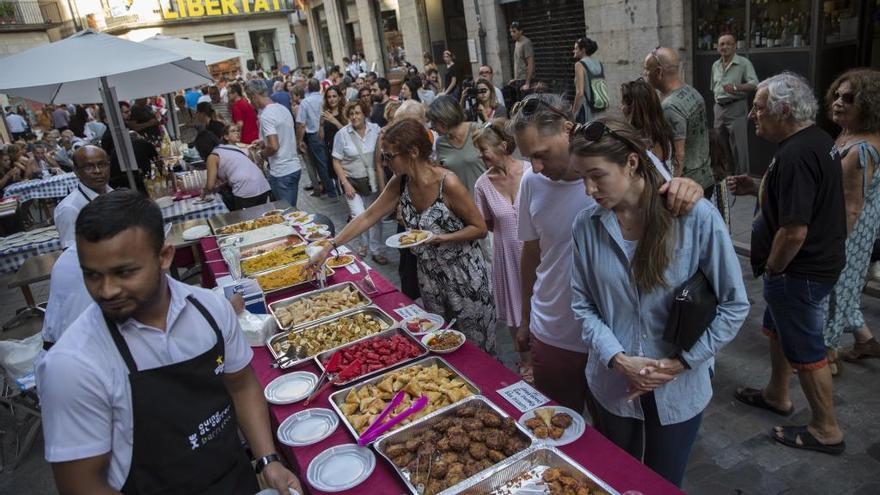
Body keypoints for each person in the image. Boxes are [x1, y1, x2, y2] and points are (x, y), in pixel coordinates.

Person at [36, 190, 303, 494]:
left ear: (164, 257)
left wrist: (268, 460)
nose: (107, 291)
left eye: (124, 272)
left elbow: (240, 384)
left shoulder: (211, 310)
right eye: (93, 275)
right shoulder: (70, 366)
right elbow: (81, 485)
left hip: (234, 479)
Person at [569, 118, 748, 486]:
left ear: (631, 163)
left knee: (662, 483)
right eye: (581, 177)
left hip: (679, 384)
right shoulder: (586, 226)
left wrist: (680, 364)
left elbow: (734, 304)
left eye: (597, 176)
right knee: (616, 478)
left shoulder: (695, 218)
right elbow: (582, 304)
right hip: (612, 382)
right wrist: (618, 359)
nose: (588, 189)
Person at [509, 93, 703, 417]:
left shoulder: (622, 165)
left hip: (619, 340)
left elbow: (675, 205)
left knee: (615, 444)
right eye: (530, 159)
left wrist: (688, 189)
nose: (537, 167)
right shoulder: (531, 181)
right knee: (556, 430)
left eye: (542, 154)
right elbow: (531, 252)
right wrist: (525, 317)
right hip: (554, 334)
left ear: (567, 129)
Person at [730, 72, 847, 455]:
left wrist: (776, 269)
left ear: (783, 110)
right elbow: (798, 194)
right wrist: (758, 185)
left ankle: (826, 429)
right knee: (779, 329)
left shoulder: (796, 153)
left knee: (807, 349)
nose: (752, 115)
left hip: (800, 271)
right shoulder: (813, 140)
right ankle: (777, 394)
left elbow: (794, 230)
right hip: (810, 267)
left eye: (759, 108)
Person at [312, 119, 496, 351]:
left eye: (390, 156)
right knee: (438, 344)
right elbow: (368, 216)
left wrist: (440, 238)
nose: (385, 162)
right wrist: (330, 246)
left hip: (464, 277)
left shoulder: (447, 182)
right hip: (429, 278)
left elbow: (479, 228)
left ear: (413, 152)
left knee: (476, 351)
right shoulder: (400, 182)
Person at [820, 69, 880, 370]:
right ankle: (865, 341)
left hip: (848, 234)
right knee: (845, 289)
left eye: (849, 98)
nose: (838, 102)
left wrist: (832, 249)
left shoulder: (860, 149)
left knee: (834, 292)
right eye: (837, 95)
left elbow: (851, 207)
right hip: (852, 230)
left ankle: (827, 360)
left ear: (867, 105)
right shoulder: (848, 134)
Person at [473, 119, 531, 377]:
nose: (480, 155)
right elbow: (485, 224)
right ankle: (526, 363)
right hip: (506, 256)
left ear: (503, 146)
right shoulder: (482, 185)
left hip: (536, 253)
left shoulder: (530, 172)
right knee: (515, 313)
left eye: (483, 149)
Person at [644, 47, 715, 197]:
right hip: (705, 176)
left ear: (659, 72)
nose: (645, 74)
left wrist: (672, 188)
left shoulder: (670, 106)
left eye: (646, 70)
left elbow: (679, 155)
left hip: (687, 186)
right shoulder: (692, 91)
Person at [331, 101, 388, 264]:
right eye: (351, 114)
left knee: (375, 217)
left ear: (364, 114)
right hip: (352, 182)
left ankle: (376, 250)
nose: (354, 117)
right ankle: (364, 243)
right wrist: (345, 183)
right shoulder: (342, 134)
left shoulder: (375, 130)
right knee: (359, 216)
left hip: (372, 182)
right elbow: (336, 161)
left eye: (357, 113)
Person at [246, 79, 304, 208]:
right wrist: (262, 142)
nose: (250, 102)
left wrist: (261, 154)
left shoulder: (266, 115)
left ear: (254, 96)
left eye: (250, 98)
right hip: (294, 167)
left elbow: (274, 146)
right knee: (288, 210)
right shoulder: (282, 109)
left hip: (281, 171)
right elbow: (283, 135)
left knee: (287, 214)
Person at [712, 34, 758, 175]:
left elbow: (755, 84)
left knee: (739, 148)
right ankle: (726, 177)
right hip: (719, 108)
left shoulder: (743, 63)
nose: (724, 47)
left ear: (734, 46)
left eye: (728, 44)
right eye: (721, 44)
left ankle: (743, 179)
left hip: (736, 107)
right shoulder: (715, 65)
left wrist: (736, 87)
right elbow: (714, 87)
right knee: (719, 146)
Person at [195, 128, 272, 210]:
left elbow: (210, 186)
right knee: (262, 217)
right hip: (262, 184)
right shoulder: (229, 148)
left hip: (245, 190)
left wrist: (203, 194)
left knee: (247, 220)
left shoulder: (212, 156)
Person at [53, 145, 112, 249]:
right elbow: (72, 253)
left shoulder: (116, 194)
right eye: (89, 167)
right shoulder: (69, 209)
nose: (97, 171)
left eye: (102, 165)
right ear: (76, 171)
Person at [428, 96, 486, 194]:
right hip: (459, 206)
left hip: (486, 202)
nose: (432, 127)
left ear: (444, 118)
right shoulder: (440, 143)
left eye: (434, 121)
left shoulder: (478, 131)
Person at [620, 78, 676, 171]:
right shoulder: (664, 132)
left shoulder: (635, 141)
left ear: (633, 109)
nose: (620, 107)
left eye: (623, 103)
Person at [296, 78, 339, 198]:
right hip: (328, 132)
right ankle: (336, 188)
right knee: (331, 161)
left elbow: (301, 124)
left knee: (321, 164)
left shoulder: (305, 102)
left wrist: (299, 141)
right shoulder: (324, 98)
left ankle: (332, 191)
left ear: (308, 88)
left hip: (314, 135)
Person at [572, 37, 608, 123]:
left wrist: (573, 113)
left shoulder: (579, 65)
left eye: (576, 48)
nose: (573, 51)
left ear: (583, 50)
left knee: (583, 135)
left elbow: (580, 93)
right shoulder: (599, 63)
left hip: (586, 110)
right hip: (600, 109)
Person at [321, 86, 347, 163]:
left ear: (339, 98)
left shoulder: (345, 112)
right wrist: (321, 125)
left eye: (334, 96)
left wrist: (334, 121)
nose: (332, 99)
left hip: (344, 153)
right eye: (329, 97)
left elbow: (349, 134)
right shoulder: (326, 113)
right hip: (330, 153)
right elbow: (321, 138)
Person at [509, 22, 535, 99]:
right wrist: (515, 78)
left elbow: (530, 64)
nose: (512, 34)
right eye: (510, 32)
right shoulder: (517, 42)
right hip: (519, 80)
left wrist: (527, 83)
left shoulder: (526, 42)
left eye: (514, 31)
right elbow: (519, 63)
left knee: (526, 106)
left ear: (520, 31)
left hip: (525, 80)